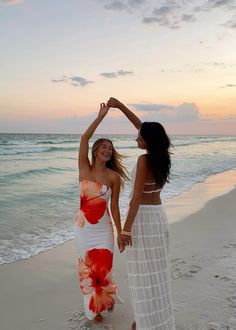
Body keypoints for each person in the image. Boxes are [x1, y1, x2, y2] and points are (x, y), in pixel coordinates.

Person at [107, 97, 175, 330]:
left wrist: (125, 229)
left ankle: (144, 323)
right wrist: (121, 107)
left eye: (139, 137)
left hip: (143, 219)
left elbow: (136, 197)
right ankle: (148, 321)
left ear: (147, 142)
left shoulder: (144, 160)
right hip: (158, 216)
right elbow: (143, 126)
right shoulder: (162, 155)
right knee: (157, 274)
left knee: (141, 274)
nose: (136, 138)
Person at [74, 103, 128, 325]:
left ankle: (105, 297)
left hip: (104, 230)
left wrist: (121, 231)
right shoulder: (84, 168)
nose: (108, 150)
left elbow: (114, 207)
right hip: (83, 229)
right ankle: (95, 311)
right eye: (104, 147)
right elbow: (84, 139)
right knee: (87, 270)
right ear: (95, 151)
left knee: (103, 270)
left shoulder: (114, 177)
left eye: (111, 148)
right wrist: (100, 117)